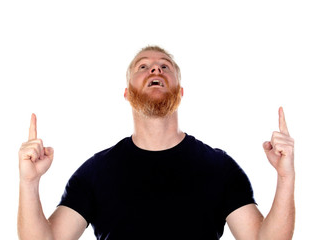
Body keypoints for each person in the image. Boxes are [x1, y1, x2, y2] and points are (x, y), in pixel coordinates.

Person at [18, 46, 295, 240]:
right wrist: (29, 183)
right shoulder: (96, 173)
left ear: (180, 92)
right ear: (127, 93)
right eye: (143, 66)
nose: (155, 68)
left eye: (165, 66)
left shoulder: (218, 167)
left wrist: (285, 176)